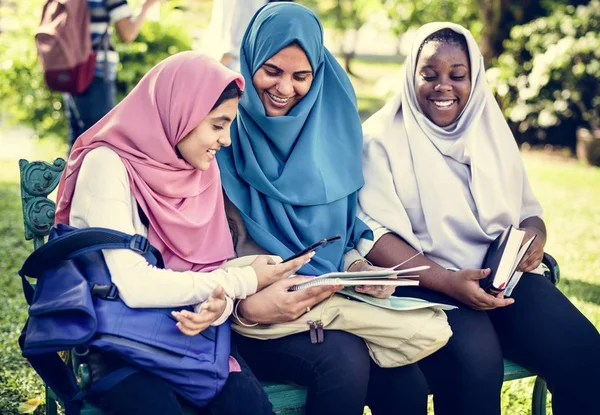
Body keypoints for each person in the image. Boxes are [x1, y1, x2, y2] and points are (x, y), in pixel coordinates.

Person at [358, 22, 600, 415]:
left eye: (458, 76)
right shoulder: (379, 139)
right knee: (476, 367)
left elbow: (527, 212)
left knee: (584, 353)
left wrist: (534, 238)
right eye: (429, 75)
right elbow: (374, 236)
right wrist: (449, 282)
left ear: (474, 78)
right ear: (410, 75)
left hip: (500, 277)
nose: (443, 87)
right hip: (424, 281)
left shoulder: (488, 126)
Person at [54, 51, 311, 415]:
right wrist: (242, 281)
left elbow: (210, 274)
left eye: (229, 126)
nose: (226, 140)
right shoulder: (107, 164)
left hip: (197, 347)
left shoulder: (199, 173)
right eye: (218, 125)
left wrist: (217, 307)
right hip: (122, 347)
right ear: (181, 112)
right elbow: (135, 286)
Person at [216, 4, 429, 415]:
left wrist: (360, 269)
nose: (284, 88)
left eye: (301, 76)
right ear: (249, 63)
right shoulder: (222, 137)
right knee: (344, 361)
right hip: (247, 316)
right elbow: (196, 252)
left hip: (332, 304)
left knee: (407, 384)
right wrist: (251, 299)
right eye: (271, 71)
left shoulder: (330, 136)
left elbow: (341, 235)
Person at [65, 0, 162, 148]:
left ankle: (72, 171)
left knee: (77, 138)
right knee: (100, 139)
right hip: (95, 72)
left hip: (70, 70)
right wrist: (145, 6)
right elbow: (127, 33)